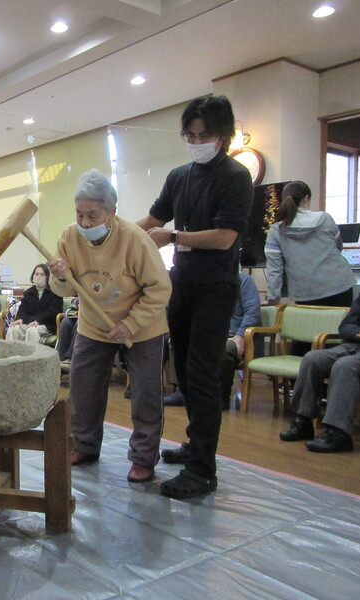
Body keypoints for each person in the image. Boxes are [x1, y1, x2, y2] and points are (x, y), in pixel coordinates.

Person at [137, 95, 253, 499]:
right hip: (180, 285)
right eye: (190, 135)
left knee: (203, 374)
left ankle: (203, 470)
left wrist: (174, 237)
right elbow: (151, 221)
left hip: (215, 289)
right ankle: (194, 445)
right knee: (184, 373)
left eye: (204, 135)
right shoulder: (179, 176)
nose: (197, 141)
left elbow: (225, 238)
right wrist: (106, 233)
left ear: (223, 134)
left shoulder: (236, 177)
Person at [49, 169, 171, 483]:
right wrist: (60, 276)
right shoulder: (69, 237)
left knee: (145, 392)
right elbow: (64, 289)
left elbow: (160, 289)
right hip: (93, 324)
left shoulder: (135, 239)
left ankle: (143, 458)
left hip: (142, 326)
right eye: (79, 214)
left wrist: (131, 324)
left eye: (92, 215)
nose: (85, 222)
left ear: (112, 211)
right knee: (83, 386)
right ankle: (84, 445)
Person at [279, 249, 360, 453]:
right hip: (354, 344)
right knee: (312, 358)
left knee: (345, 366)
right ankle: (303, 421)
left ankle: (339, 433)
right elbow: (345, 326)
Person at [265, 180, 355, 355]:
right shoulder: (325, 218)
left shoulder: (277, 230)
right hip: (339, 285)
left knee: (302, 338)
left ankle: (295, 373)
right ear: (306, 198)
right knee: (335, 339)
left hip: (305, 291)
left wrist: (273, 298)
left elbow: (274, 269)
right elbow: (338, 247)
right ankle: (333, 373)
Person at [163, 272, 261, 410]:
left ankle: (221, 396)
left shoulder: (244, 281)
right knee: (177, 340)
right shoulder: (201, 282)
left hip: (233, 334)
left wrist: (240, 336)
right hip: (205, 333)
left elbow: (252, 312)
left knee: (225, 348)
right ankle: (183, 392)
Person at [5, 264, 63, 344]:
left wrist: (39, 320)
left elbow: (54, 311)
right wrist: (20, 318)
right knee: (13, 329)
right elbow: (23, 309)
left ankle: (33, 352)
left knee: (32, 330)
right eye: (36, 274)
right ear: (33, 275)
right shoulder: (28, 293)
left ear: (48, 277)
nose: (38, 277)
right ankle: (12, 352)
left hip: (47, 324)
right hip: (30, 323)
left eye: (42, 275)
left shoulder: (55, 292)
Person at [56, 296, 80, 370]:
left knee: (79, 324)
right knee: (65, 322)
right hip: (78, 314)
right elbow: (74, 304)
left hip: (92, 318)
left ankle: (70, 359)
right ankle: (61, 358)